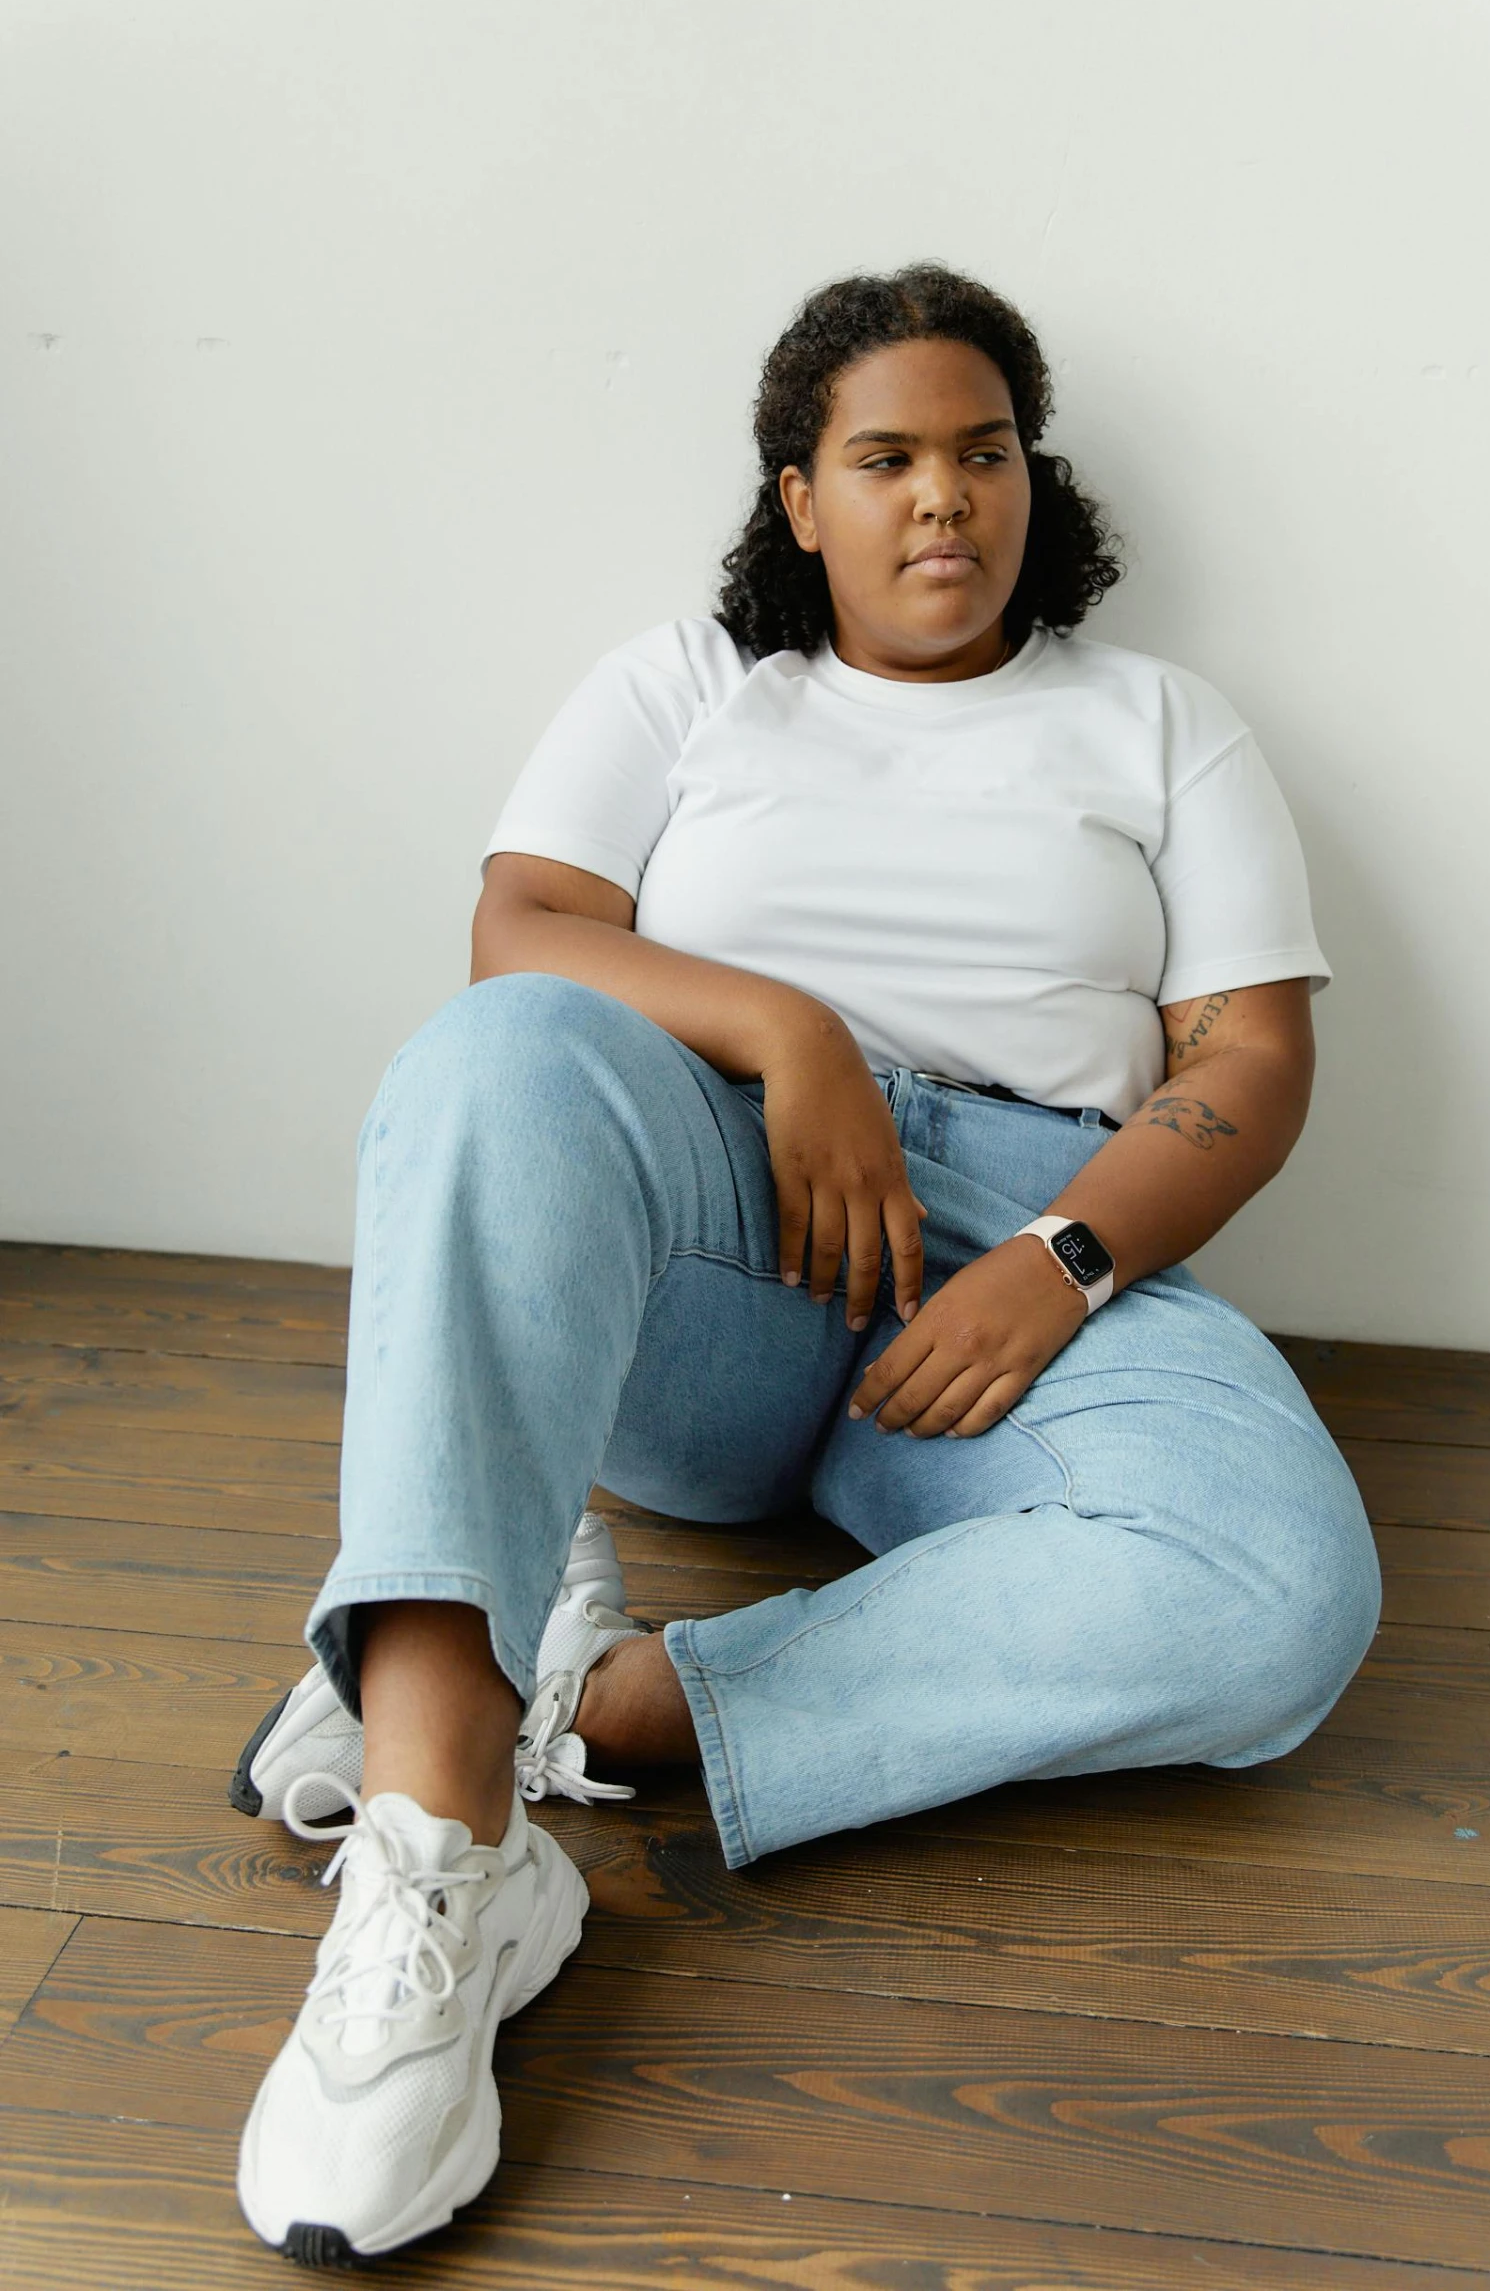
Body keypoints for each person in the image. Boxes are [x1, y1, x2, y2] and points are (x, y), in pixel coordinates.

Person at [235, 262, 1381, 2266]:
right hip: (722, 1225)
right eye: (887, 457)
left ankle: (590, 1701)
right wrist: (790, 1033)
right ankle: (433, 1850)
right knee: (493, 1054)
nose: (944, 495)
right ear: (800, 499)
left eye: (983, 451)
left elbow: (1256, 1055)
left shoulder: (1161, 720)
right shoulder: (694, 686)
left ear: (1036, 479)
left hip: (1031, 1250)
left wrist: (1065, 1250)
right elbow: (521, 927)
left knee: (1284, 1593)